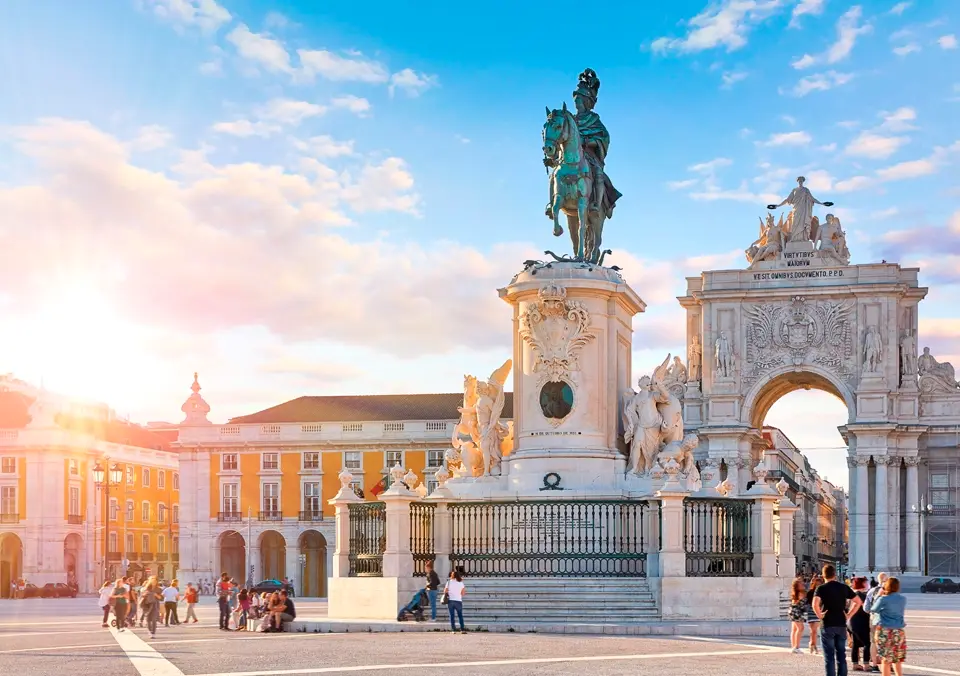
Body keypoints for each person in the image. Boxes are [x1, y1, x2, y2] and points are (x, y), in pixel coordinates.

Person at [813, 564, 863, 676]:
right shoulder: (843, 587)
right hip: (841, 623)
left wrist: (820, 615)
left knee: (829, 657)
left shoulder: (821, 588)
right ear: (834, 574)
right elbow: (858, 602)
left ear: (823, 575)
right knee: (841, 655)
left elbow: (815, 604)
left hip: (827, 624)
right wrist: (849, 615)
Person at [871, 577, 907, 676]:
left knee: (885, 659)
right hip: (898, 630)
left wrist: (879, 595)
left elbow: (873, 609)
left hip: (885, 630)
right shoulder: (903, 599)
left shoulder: (883, 599)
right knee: (897, 659)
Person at [849, 577, 872, 672]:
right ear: (862, 584)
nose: (867, 584)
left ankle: (855, 664)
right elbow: (866, 608)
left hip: (853, 621)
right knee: (867, 643)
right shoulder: (861, 595)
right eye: (866, 582)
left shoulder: (854, 594)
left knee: (856, 643)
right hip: (861, 621)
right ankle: (866, 664)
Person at [788, 576, 808, 654]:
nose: (802, 584)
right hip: (797, 611)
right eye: (800, 583)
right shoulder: (801, 593)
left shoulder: (795, 593)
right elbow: (803, 604)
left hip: (793, 610)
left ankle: (793, 646)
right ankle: (796, 647)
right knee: (800, 628)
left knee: (794, 629)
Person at [806, 574, 824, 654]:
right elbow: (807, 602)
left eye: (819, 583)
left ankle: (813, 645)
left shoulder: (821, 592)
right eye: (817, 583)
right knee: (812, 630)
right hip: (811, 611)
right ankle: (812, 644)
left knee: (814, 630)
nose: (818, 585)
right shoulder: (810, 592)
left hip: (817, 610)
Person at [444, 570, 466, 634]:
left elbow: (445, 591)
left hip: (450, 601)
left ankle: (453, 630)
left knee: (452, 616)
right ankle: (462, 629)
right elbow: (463, 593)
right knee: (460, 615)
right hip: (458, 601)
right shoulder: (461, 583)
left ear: (452, 576)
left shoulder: (448, 582)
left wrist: (450, 592)